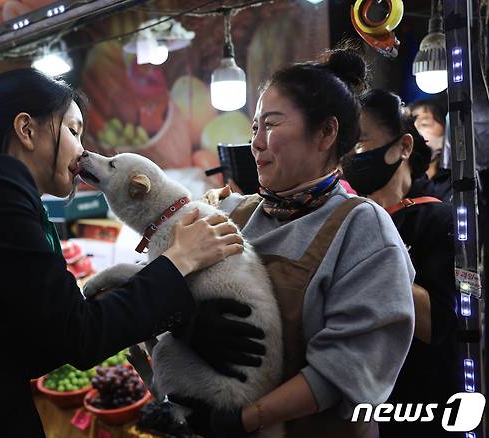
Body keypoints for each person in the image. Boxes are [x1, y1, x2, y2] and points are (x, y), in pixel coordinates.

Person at [0, 69, 261, 437]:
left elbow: (44, 339)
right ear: (26, 130)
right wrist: (181, 259)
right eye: (72, 130)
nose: (82, 150)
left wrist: (180, 318)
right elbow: (78, 335)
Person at [170, 49, 415, 438]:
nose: (256, 144)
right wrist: (183, 322)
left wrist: (241, 420)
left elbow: (349, 367)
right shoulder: (235, 213)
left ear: (325, 133)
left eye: (271, 124)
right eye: (253, 128)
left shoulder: (363, 228)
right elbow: (166, 279)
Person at [342, 89, 458, 437]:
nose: (352, 159)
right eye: (344, 150)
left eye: (361, 144)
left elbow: (435, 324)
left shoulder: (437, 218)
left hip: (421, 405)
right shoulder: (344, 218)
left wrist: (372, 259)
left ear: (404, 147)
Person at [409, 99, 452, 202]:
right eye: (412, 125)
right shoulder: (403, 176)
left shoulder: (457, 178)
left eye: (425, 124)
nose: (417, 130)